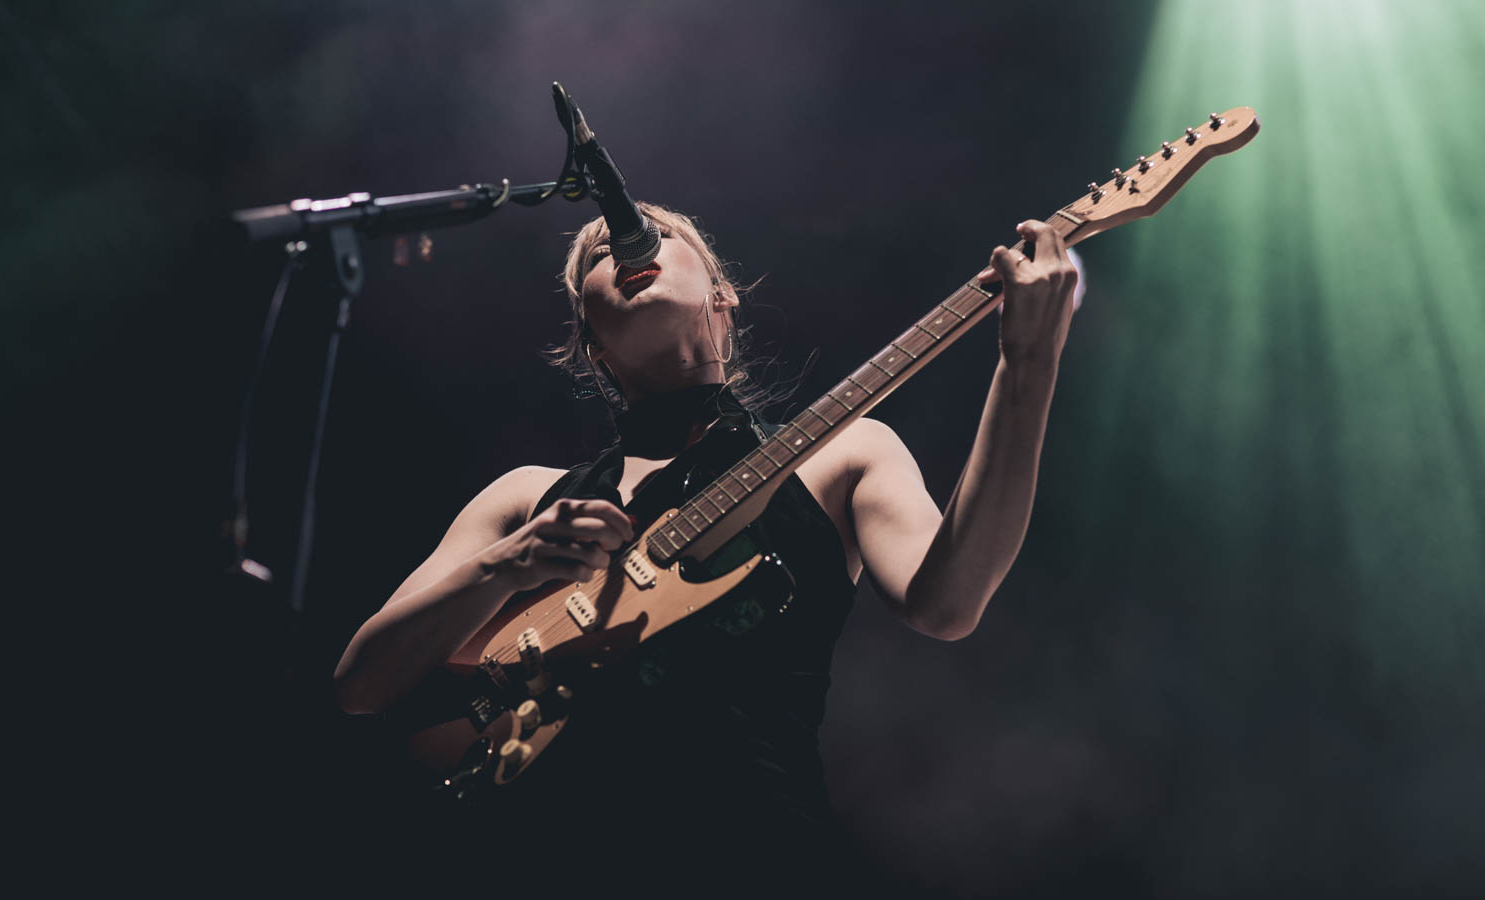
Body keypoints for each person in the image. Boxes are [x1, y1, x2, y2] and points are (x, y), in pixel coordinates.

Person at [333, 201, 1077, 882]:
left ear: (724, 296)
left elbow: (948, 605)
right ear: (591, 346)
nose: (624, 244)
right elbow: (362, 683)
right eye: (598, 255)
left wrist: (1029, 363)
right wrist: (506, 565)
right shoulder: (526, 497)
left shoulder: (846, 453)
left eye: (657, 236)